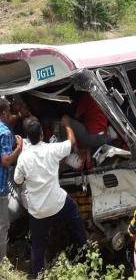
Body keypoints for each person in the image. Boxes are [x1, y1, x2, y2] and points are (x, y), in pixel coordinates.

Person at [14, 116, 87, 275]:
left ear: (27, 137)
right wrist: (67, 125)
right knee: (74, 213)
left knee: (38, 244)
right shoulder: (52, 149)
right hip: (57, 204)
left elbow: (18, 180)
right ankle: (85, 249)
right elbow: (71, 143)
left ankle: (38, 273)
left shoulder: (23, 158)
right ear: (41, 134)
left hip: (38, 211)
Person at [0, 98, 23, 261]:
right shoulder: (5, 133)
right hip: (0, 187)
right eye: (8, 111)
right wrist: (19, 148)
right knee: (3, 225)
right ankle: (2, 262)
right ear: (3, 113)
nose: (10, 114)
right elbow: (6, 160)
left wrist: (20, 114)